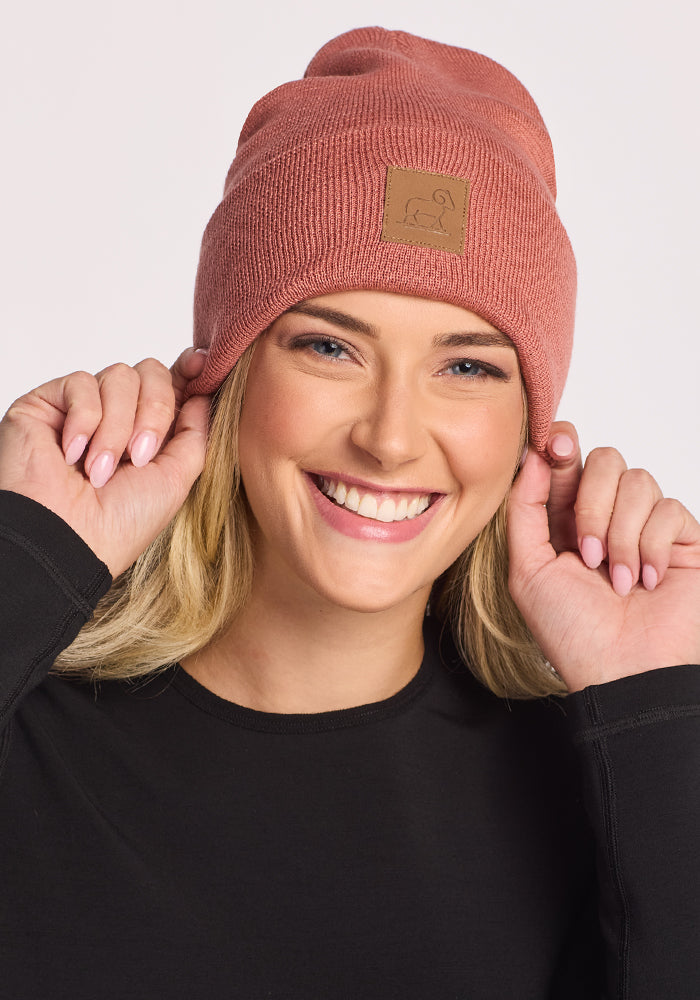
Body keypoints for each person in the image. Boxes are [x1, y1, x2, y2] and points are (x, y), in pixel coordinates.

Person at [0, 26, 698, 1000]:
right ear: (226, 375)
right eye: (330, 347)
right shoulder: (27, 728)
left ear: (529, 433)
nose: (391, 437)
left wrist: (659, 708)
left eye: (467, 366)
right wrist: (25, 554)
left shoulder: (607, 787)